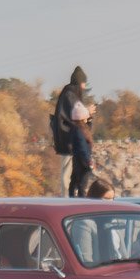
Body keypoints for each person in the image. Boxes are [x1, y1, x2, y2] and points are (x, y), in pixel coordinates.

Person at [52, 66, 95, 196]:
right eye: (83, 83)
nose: (83, 86)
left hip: (72, 142)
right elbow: (74, 116)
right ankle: (67, 200)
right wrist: (87, 112)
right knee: (68, 176)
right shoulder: (70, 95)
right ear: (79, 82)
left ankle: (71, 198)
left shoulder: (70, 94)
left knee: (73, 177)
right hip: (69, 142)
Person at [68, 102, 94, 198]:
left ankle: (73, 200)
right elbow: (82, 148)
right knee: (82, 186)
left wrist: (90, 117)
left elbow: (89, 128)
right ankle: (81, 203)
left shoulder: (77, 128)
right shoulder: (79, 131)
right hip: (82, 162)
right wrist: (89, 162)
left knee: (74, 184)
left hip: (78, 160)